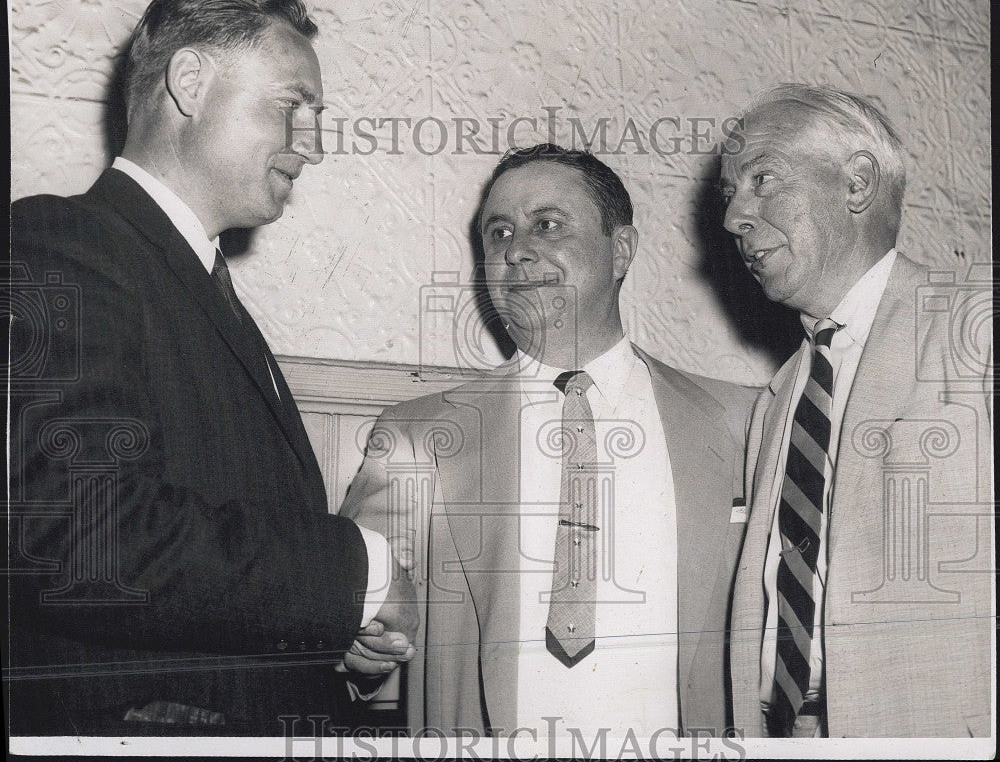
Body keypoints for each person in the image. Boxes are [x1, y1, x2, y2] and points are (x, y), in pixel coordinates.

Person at [9, 0, 416, 736]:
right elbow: (81, 536)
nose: (313, 145)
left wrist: (332, 636)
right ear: (190, 82)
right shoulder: (59, 243)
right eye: (292, 104)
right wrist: (357, 572)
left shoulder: (195, 288)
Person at [340, 144, 756, 737]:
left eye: (548, 224)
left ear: (621, 250)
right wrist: (360, 649)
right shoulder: (417, 436)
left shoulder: (742, 423)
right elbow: (354, 616)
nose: (516, 249)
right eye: (499, 233)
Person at [719, 84, 992, 738]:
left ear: (858, 183)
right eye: (729, 193)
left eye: (761, 180)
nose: (733, 218)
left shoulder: (975, 329)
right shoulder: (776, 402)